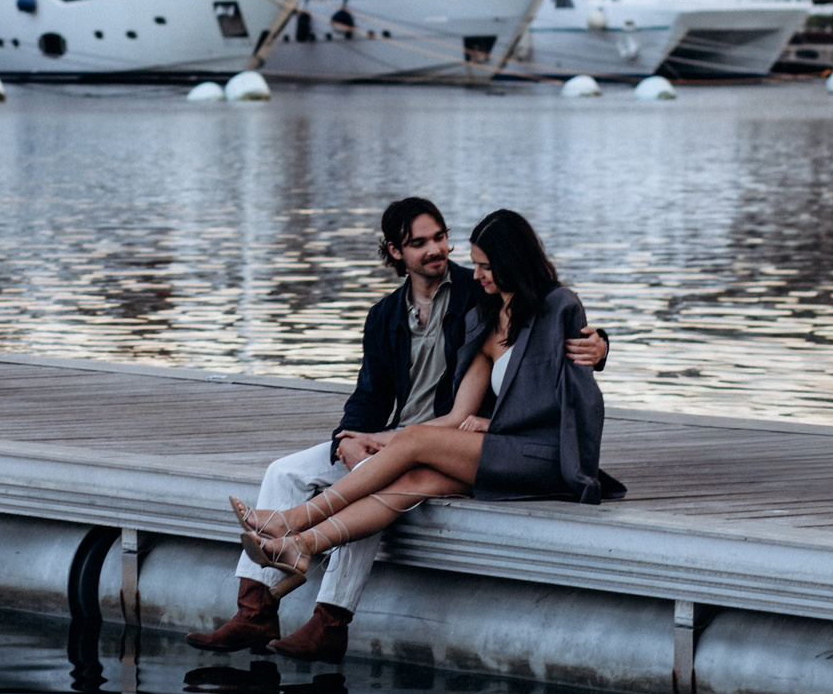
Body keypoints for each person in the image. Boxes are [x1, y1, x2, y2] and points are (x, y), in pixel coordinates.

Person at [186, 198, 607, 661]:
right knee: (286, 472)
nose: (439, 251)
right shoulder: (398, 315)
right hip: (415, 437)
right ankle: (258, 606)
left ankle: (315, 584)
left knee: (385, 466)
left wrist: (601, 345)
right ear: (394, 251)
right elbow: (370, 393)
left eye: (441, 238)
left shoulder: (478, 296)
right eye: (421, 243)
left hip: (482, 444)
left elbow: (566, 354)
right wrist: (350, 436)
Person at [232, 208, 623, 582]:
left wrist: (600, 348)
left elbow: (578, 398)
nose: (478, 275)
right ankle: (301, 545)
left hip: (548, 456)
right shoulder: (483, 320)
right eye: (476, 264)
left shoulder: (559, 307)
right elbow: (455, 418)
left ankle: (294, 519)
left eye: (486, 266)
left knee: (416, 438)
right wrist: (364, 437)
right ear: (395, 251)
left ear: (513, 262)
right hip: (503, 454)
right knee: (417, 478)